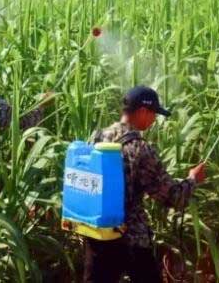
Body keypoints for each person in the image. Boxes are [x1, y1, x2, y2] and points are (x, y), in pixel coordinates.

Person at [86, 86, 207, 283]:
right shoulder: (139, 148)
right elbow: (173, 196)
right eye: (154, 114)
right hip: (130, 238)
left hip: (97, 232)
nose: (153, 120)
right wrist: (193, 179)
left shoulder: (97, 136)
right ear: (142, 111)